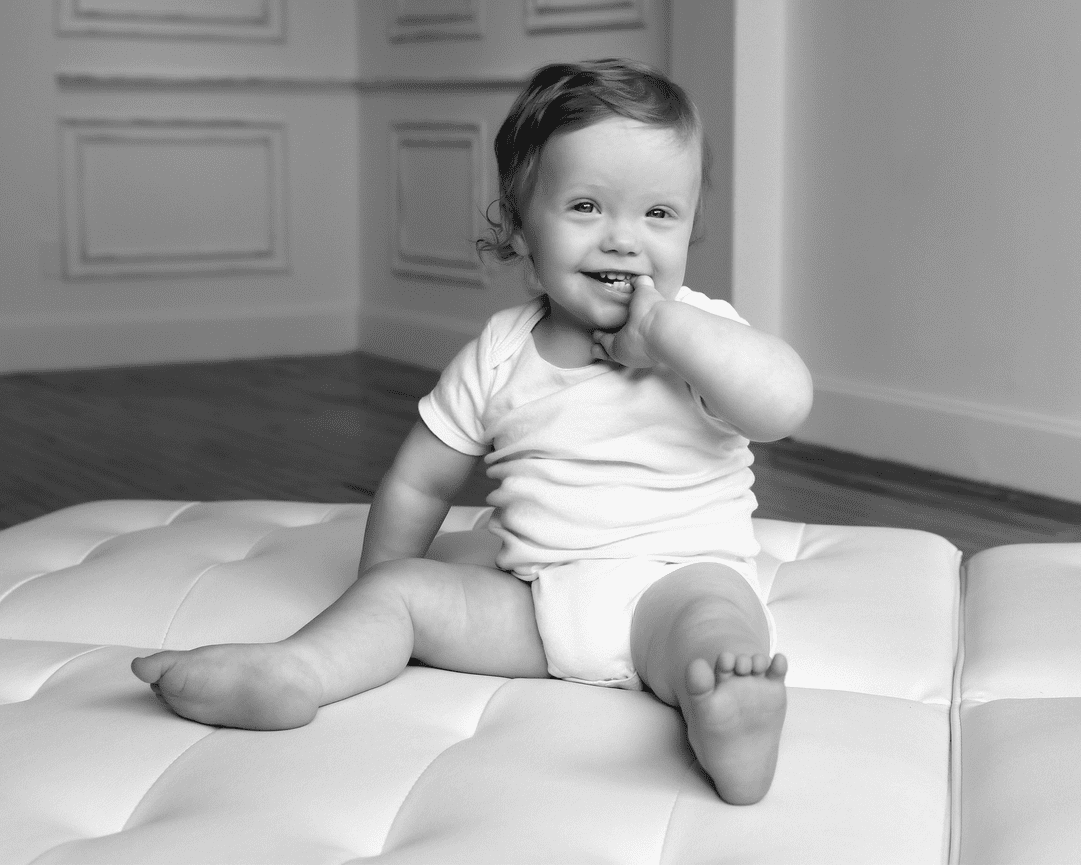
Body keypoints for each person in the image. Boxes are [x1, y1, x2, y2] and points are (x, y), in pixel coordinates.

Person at [131, 58, 814, 806]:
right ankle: (298, 671)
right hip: (537, 602)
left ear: (689, 228)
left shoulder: (705, 337)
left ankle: (733, 726)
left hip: (680, 582)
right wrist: (380, 590)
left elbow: (782, 403)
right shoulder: (500, 351)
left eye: (658, 215)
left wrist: (666, 326)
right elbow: (420, 478)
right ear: (521, 227)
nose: (625, 240)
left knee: (716, 637)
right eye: (587, 206)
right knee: (402, 593)